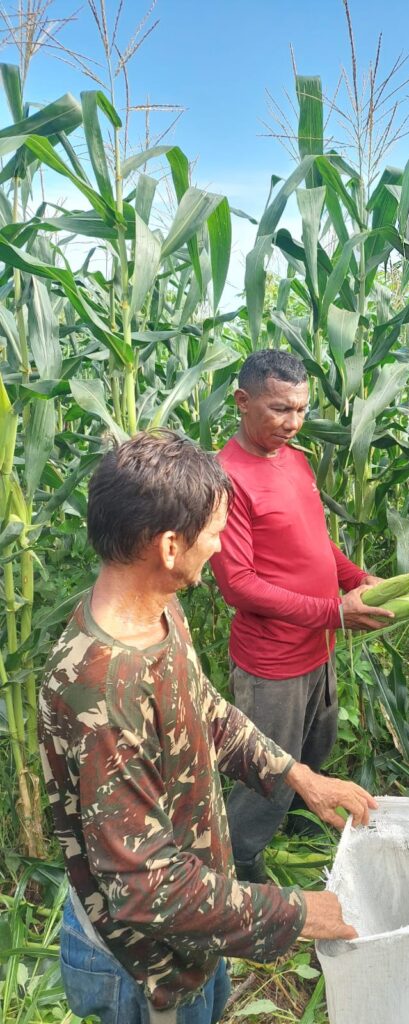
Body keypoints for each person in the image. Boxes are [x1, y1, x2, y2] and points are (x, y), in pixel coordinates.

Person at [39, 430, 377, 1024]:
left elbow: (204, 708)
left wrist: (297, 775)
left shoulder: (156, 607)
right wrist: (298, 913)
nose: (222, 547)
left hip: (199, 929)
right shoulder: (102, 690)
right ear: (170, 545)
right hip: (143, 967)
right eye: (216, 532)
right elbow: (145, 888)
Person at [209, 350, 391, 882]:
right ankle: (239, 863)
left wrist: (356, 579)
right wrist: (334, 612)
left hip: (318, 646)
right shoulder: (225, 479)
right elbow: (238, 585)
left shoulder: (295, 459)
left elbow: (315, 541)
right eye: (280, 409)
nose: (293, 423)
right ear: (242, 402)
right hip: (273, 662)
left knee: (316, 747)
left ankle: (295, 820)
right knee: (269, 772)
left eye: (302, 410)